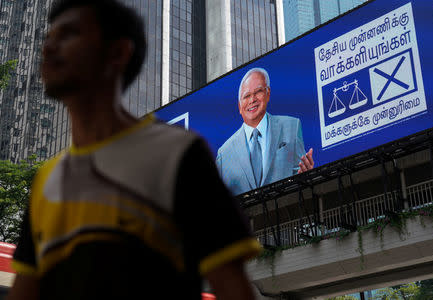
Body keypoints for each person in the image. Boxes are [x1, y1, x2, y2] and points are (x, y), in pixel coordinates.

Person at [7, 1, 262, 299]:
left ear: (117, 53)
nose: (48, 48)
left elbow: (232, 288)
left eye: (69, 35)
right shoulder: (45, 180)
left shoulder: (178, 154)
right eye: (48, 39)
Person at [216, 68, 315, 196]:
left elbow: (300, 176)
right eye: (246, 96)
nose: (252, 99)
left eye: (258, 92)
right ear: (240, 107)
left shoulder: (291, 127)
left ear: (268, 94)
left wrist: (305, 176)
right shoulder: (225, 154)